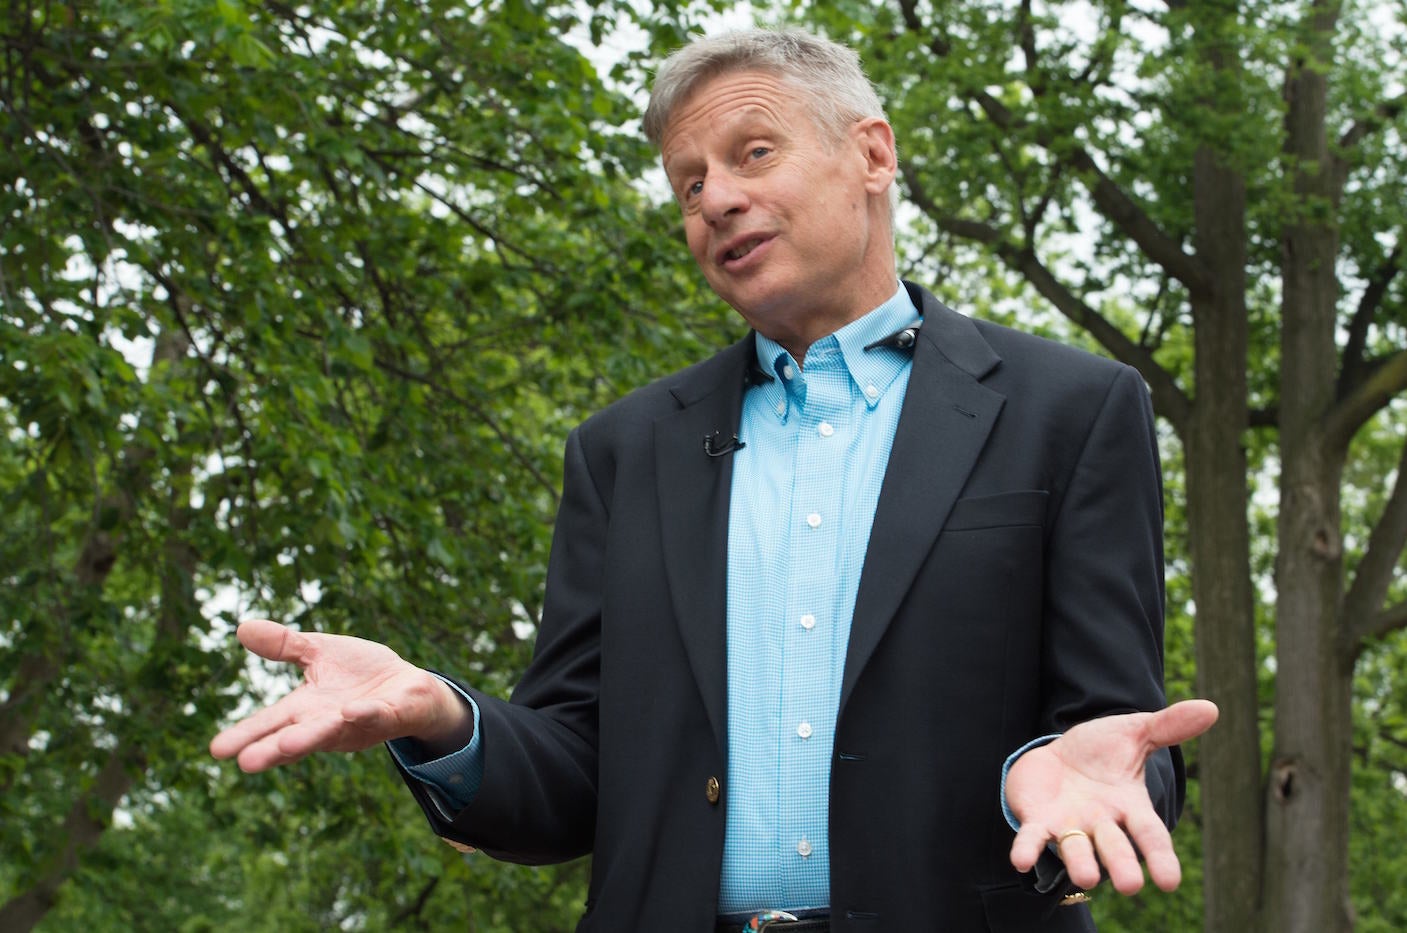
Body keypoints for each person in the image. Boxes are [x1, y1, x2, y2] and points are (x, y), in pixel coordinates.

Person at [211, 28, 1218, 932]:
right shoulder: (623, 451)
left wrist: (1044, 779)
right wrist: (438, 715)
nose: (716, 198)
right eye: (688, 184)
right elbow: (574, 779)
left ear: (871, 153)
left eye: (753, 154)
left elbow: (1121, 734)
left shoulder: (1070, 410)